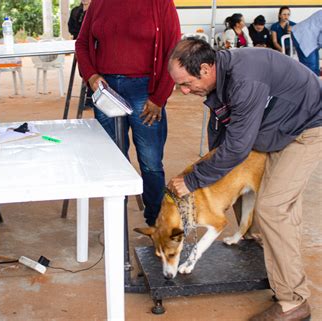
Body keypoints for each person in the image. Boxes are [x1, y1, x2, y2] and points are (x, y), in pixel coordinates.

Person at [167, 38, 321, 321]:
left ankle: (293, 302)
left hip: (307, 126)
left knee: (274, 208)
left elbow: (237, 147)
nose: (183, 91)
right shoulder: (221, 76)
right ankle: (275, 266)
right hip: (278, 127)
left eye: (185, 83)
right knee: (275, 208)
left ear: (204, 69)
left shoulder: (244, 80)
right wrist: (201, 170)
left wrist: (193, 180)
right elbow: (222, 139)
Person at [75, 0, 181, 226]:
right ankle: (116, 222)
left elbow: (174, 50)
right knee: (113, 159)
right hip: (106, 90)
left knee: (150, 162)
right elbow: (82, 43)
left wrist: (159, 97)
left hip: (145, 91)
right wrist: (91, 76)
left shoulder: (160, 3)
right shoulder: (99, 2)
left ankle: (156, 221)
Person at [293, 10, 321, 76]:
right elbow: (320, 41)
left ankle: (315, 85)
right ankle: (310, 85)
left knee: (315, 67)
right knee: (311, 68)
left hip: (305, 35)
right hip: (303, 36)